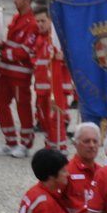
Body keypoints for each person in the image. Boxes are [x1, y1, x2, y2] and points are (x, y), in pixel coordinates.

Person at [0, 0, 38, 159]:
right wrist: (1, 44)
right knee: (0, 102)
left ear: (27, 0)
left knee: (23, 106)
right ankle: (10, 142)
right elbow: (13, 44)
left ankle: (25, 144)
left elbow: (25, 51)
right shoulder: (17, 18)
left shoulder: (33, 22)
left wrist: (1, 52)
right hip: (6, 70)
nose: (14, 1)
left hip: (20, 72)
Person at [29, 14, 75, 152]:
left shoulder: (58, 39)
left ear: (51, 21)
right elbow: (34, 58)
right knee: (44, 120)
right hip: (42, 87)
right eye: (37, 21)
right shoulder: (38, 39)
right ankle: (50, 145)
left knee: (56, 118)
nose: (40, 24)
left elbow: (74, 59)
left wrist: (63, 59)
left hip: (57, 87)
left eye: (43, 21)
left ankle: (61, 148)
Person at [63, 122, 102, 213]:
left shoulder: (102, 173)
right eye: (86, 141)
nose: (91, 145)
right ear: (76, 144)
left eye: (95, 141)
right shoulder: (66, 172)